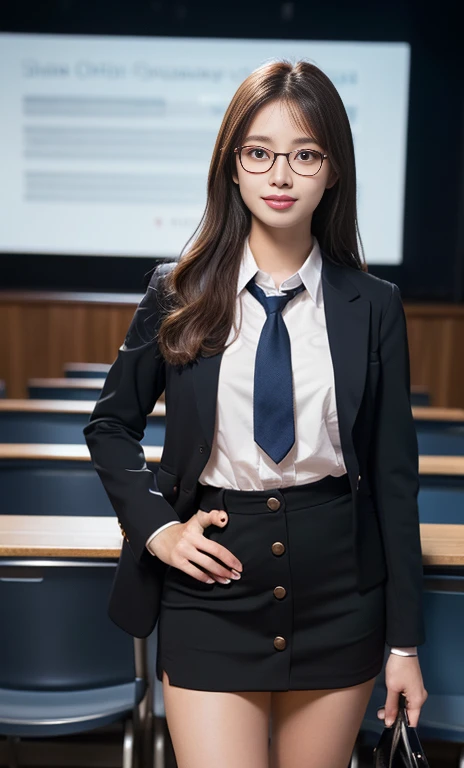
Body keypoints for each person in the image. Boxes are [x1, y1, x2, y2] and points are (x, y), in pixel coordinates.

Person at [84, 58, 428, 768]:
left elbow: (395, 484)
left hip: (341, 589)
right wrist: (159, 531)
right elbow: (110, 425)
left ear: (332, 170)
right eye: (259, 153)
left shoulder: (375, 307)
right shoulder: (176, 292)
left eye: (305, 154)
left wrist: (404, 645)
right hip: (210, 584)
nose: (281, 175)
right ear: (232, 167)